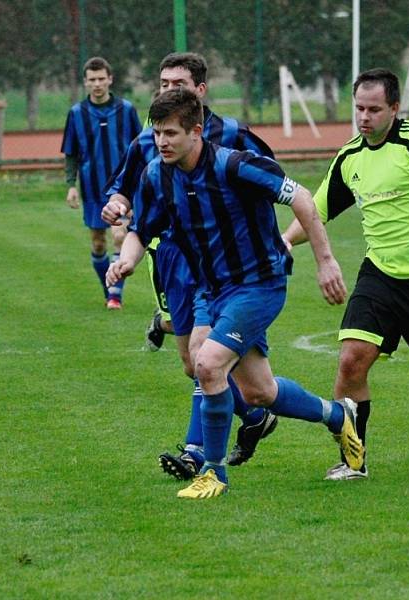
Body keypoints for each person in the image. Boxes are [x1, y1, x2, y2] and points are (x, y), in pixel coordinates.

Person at [106, 88, 363, 499]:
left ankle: (213, 472)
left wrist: (326, 260)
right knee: (259, 391)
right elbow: (143, 228)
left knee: (208, 363)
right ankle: (337, 415)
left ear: (196, 130)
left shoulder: (236, 166)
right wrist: (127, 261)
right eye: (157, 133)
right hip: (212, 289)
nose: (162, 142)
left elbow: (300, 197)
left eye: (171, 133)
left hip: (258, 285)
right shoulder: (157, 174)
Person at [283, 68, 409, 481]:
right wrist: (285, 241)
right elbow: (317, 210)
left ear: (394, 108)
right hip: (379, 275)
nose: (364, 117)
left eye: (374, 109)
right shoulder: (350, 158)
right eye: (358, 108)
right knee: (351, 362)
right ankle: (353, 461)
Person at [101, 53, 278, 479]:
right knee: (192, 363)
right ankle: (255, 418)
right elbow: (125, 191)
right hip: (170, 258)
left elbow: (271, 182)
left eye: (177, 84)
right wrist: (117, 205)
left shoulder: (233, 134)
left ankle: (198, 453)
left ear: (200, 90)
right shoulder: (149, 141)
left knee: (209, 359)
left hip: (230, 266)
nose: (168, 91)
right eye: (162, 83)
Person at [62, 56, 142, 310]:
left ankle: (115, 296)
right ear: (85, 83)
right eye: (92, 80)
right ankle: (109, 289)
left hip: (122, 189)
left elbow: (140, 147)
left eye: (101, 79)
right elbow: (71, 153)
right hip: (93, 188)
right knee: (98, 242)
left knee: (120, 236)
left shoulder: (126, 110)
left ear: (110, 79)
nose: (97, 84)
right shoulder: (76, 114)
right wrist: (71, 185)